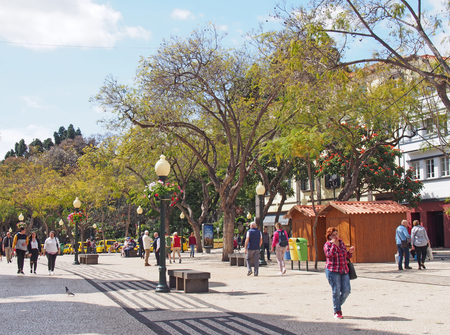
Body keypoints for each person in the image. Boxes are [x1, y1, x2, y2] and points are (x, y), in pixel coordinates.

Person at [324, 227, 355, 319]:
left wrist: (350, 252)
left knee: (347, 290)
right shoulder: (327, 245)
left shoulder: (341, 243)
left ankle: (337, 305)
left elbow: (345, 256)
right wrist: (334, 245)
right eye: (333, 235)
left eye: (336, 234)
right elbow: (329, 255)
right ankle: (337, 311)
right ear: (329, 237)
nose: (336, 236)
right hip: (333, 270)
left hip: (343, 269)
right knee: (336, 291)